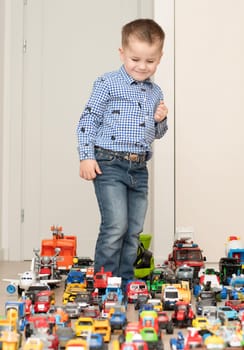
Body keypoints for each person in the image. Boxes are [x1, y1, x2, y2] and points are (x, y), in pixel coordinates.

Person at [76, 18, 168, 290]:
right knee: (115, 226)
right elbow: (88, 120)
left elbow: (157, 134)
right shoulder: (107, 83)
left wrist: (160, 119)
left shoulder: (156, 92)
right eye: (135, 58)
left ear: (159, 58)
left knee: (133, 230)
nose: (142, 66)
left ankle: (126, 281)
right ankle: (105, 283)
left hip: (138, 169)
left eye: (150, 61)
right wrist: (86, 156)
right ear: (122, 53)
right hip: (109, 163)